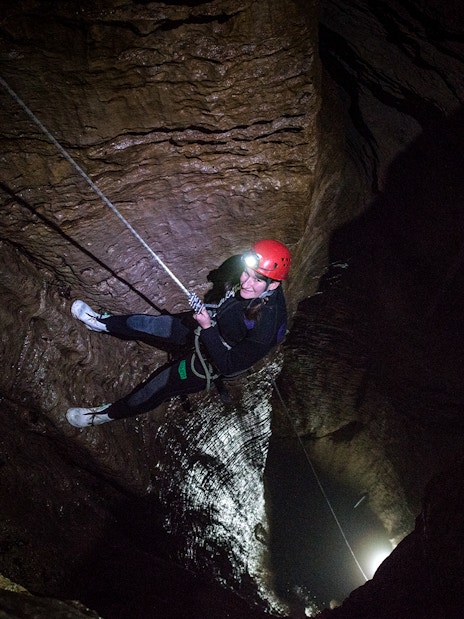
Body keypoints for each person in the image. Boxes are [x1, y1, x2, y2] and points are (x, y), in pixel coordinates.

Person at [66, 239, 291, 428]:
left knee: (156, 387)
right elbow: (233, 302)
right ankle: (100, 323)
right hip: (209, 324)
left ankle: (104, 415)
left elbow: (228, 365)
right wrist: (209, 318)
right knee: (149, 324)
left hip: (212, 361)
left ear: (272, 286)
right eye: (246, 273)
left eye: (257, 280)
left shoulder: (267, 326)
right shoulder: (253, 286)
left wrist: (207, 328)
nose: (246, 282)